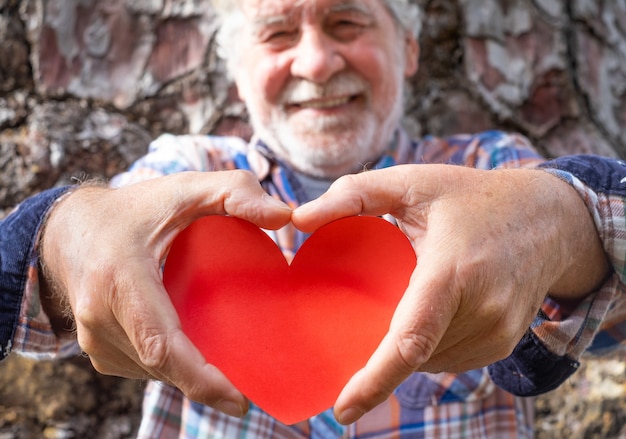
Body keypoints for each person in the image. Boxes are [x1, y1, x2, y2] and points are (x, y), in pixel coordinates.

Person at [1, 0, 624, 437]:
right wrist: (66, 235)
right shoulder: (180, 181)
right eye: (277, 34)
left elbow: (606, 312)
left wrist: (555, 225)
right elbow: (28, 287)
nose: (317, 62)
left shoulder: (489, 172)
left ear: (408, 48)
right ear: (236, 73)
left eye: (346, 21)